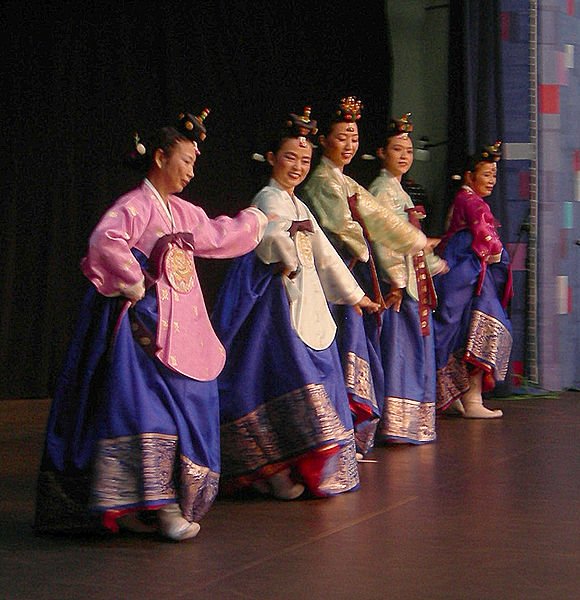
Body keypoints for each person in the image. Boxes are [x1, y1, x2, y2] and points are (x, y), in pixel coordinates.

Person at [34, 109, 267, 540]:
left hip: (184, 326)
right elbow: (105, 241)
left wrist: (255, 220)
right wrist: (133, 280)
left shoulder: (182, 211)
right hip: (141, 329)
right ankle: (162, 508)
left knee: (187, 405)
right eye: (186, 160)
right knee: (143, 412)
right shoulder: (135, 206)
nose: (191, 172)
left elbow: (215, 236)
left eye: (195, 163)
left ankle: (157, 501)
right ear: (160, 157)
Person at [211, 107, 380, 500]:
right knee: (280, 381)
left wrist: (356, 296)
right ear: (271, 158)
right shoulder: (266, 197)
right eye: (290, 157)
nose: (298, 167)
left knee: (315, 377)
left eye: (305, 160)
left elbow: (324, 254)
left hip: (305, 304)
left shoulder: (301, 205)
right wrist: (285, 254)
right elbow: (267, 235)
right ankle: (272, 468)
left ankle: (303, 465)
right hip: (274, 307)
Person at [301, 97, 437, 454]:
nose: (348, 144)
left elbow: (378, 218)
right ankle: (337, 432)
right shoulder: (323, 182)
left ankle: (351, 431)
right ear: (325, 141)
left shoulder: (346, 183)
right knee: (343, 350)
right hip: (335, 278)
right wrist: (384, 255)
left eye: (353, 137)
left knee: (358, 350)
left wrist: (414, 241)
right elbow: (349, 230)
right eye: (342, 137)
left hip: (353, 273)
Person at [368, 114, 448, 444]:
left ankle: (413, 421)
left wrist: (432, 263)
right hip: (399, 281)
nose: (404, 155)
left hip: (414, 277)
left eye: (408, 150)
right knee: (399, 348)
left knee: (415, 346)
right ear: (382, 152)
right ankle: (396, 424)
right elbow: (384, 239)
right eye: (397, 149)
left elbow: (412, 235)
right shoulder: (381, 190)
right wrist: (396, 280)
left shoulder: (400, 190)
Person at [433, 141, 513, 418]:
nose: (491, 180)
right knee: (480, 328)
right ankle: (472, 400)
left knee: (463, 332)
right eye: (486, 174)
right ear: (470, 176)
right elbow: (486, 238)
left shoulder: (463, 200)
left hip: (465, 271)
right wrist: (497, 254)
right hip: (469, 273)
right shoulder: (471, 202)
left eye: (494, 175)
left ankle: (459, 395)